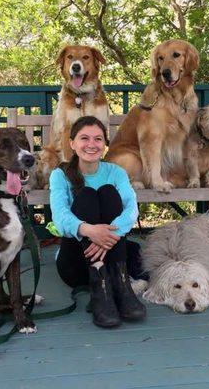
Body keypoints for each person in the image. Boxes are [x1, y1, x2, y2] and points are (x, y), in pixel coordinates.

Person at [49, 116, 146, 328]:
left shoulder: (116, 172)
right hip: (76, 264)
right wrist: (91, 231)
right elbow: (60, 216)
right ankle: (100, 292)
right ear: (73, 143)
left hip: (113, 258)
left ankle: (122, 286)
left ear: (104, 144)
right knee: (87, 196)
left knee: (109, 192)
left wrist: (108, 236)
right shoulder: (60, 175)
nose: (91, 144)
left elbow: (132, 209)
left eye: (98, 139)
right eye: (84, 138)